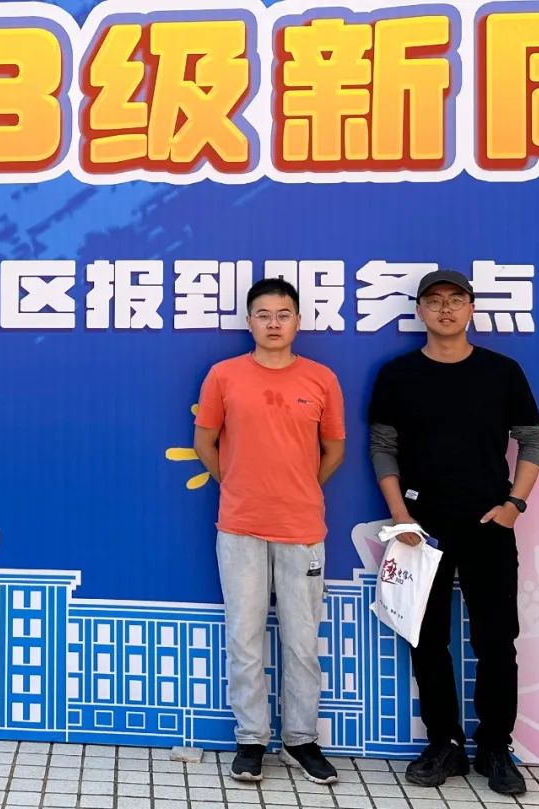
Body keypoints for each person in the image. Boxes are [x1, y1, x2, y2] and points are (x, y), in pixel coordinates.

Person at [368, 269, 539, 795]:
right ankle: (443, 743)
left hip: (489, 522)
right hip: (422, 528)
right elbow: (383, 448)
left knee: (497, 639)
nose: (445, 309)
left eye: (456, 299)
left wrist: (514, 505)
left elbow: (531, 441)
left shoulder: (502, 371)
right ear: (419, 310)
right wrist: (401, 516)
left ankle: (495, 747)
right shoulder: (398, 375)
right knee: (428, 639)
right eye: (434, 300)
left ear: (471, 308)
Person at [194, 278, 346, 784]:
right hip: (240, 525)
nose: (274, 323)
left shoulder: (321, 378)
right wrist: (239, 485)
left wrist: (299, 486)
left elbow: (335, 449)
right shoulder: (224, 376)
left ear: (298, 321)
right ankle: (251, 739)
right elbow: (205, 441)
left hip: (302, 526)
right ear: (249, 322)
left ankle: (302, 740)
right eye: (263, 315)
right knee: (244, 636)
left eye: (283, 314)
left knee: (302, 641)